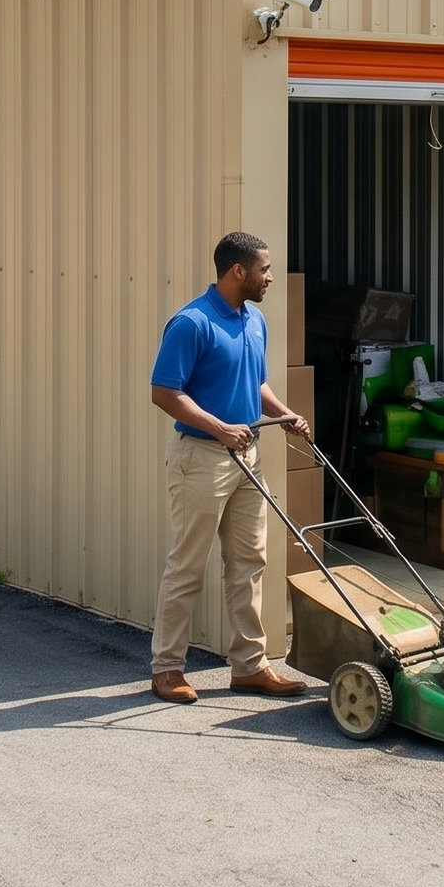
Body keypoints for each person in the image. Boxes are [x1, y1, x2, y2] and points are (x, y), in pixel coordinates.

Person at [147, 232, 312, 705]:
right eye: (264, 269)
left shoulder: (254, 320)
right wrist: (219, 428)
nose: (270, 278)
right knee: (187, 566)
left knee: (249, 563)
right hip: (201, 459)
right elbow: (164, 392)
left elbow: (255, 382)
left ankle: (250, 666)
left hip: (248, 458)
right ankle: (167, 669)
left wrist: (284, 414)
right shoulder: (191, 323)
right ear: (238, 271)